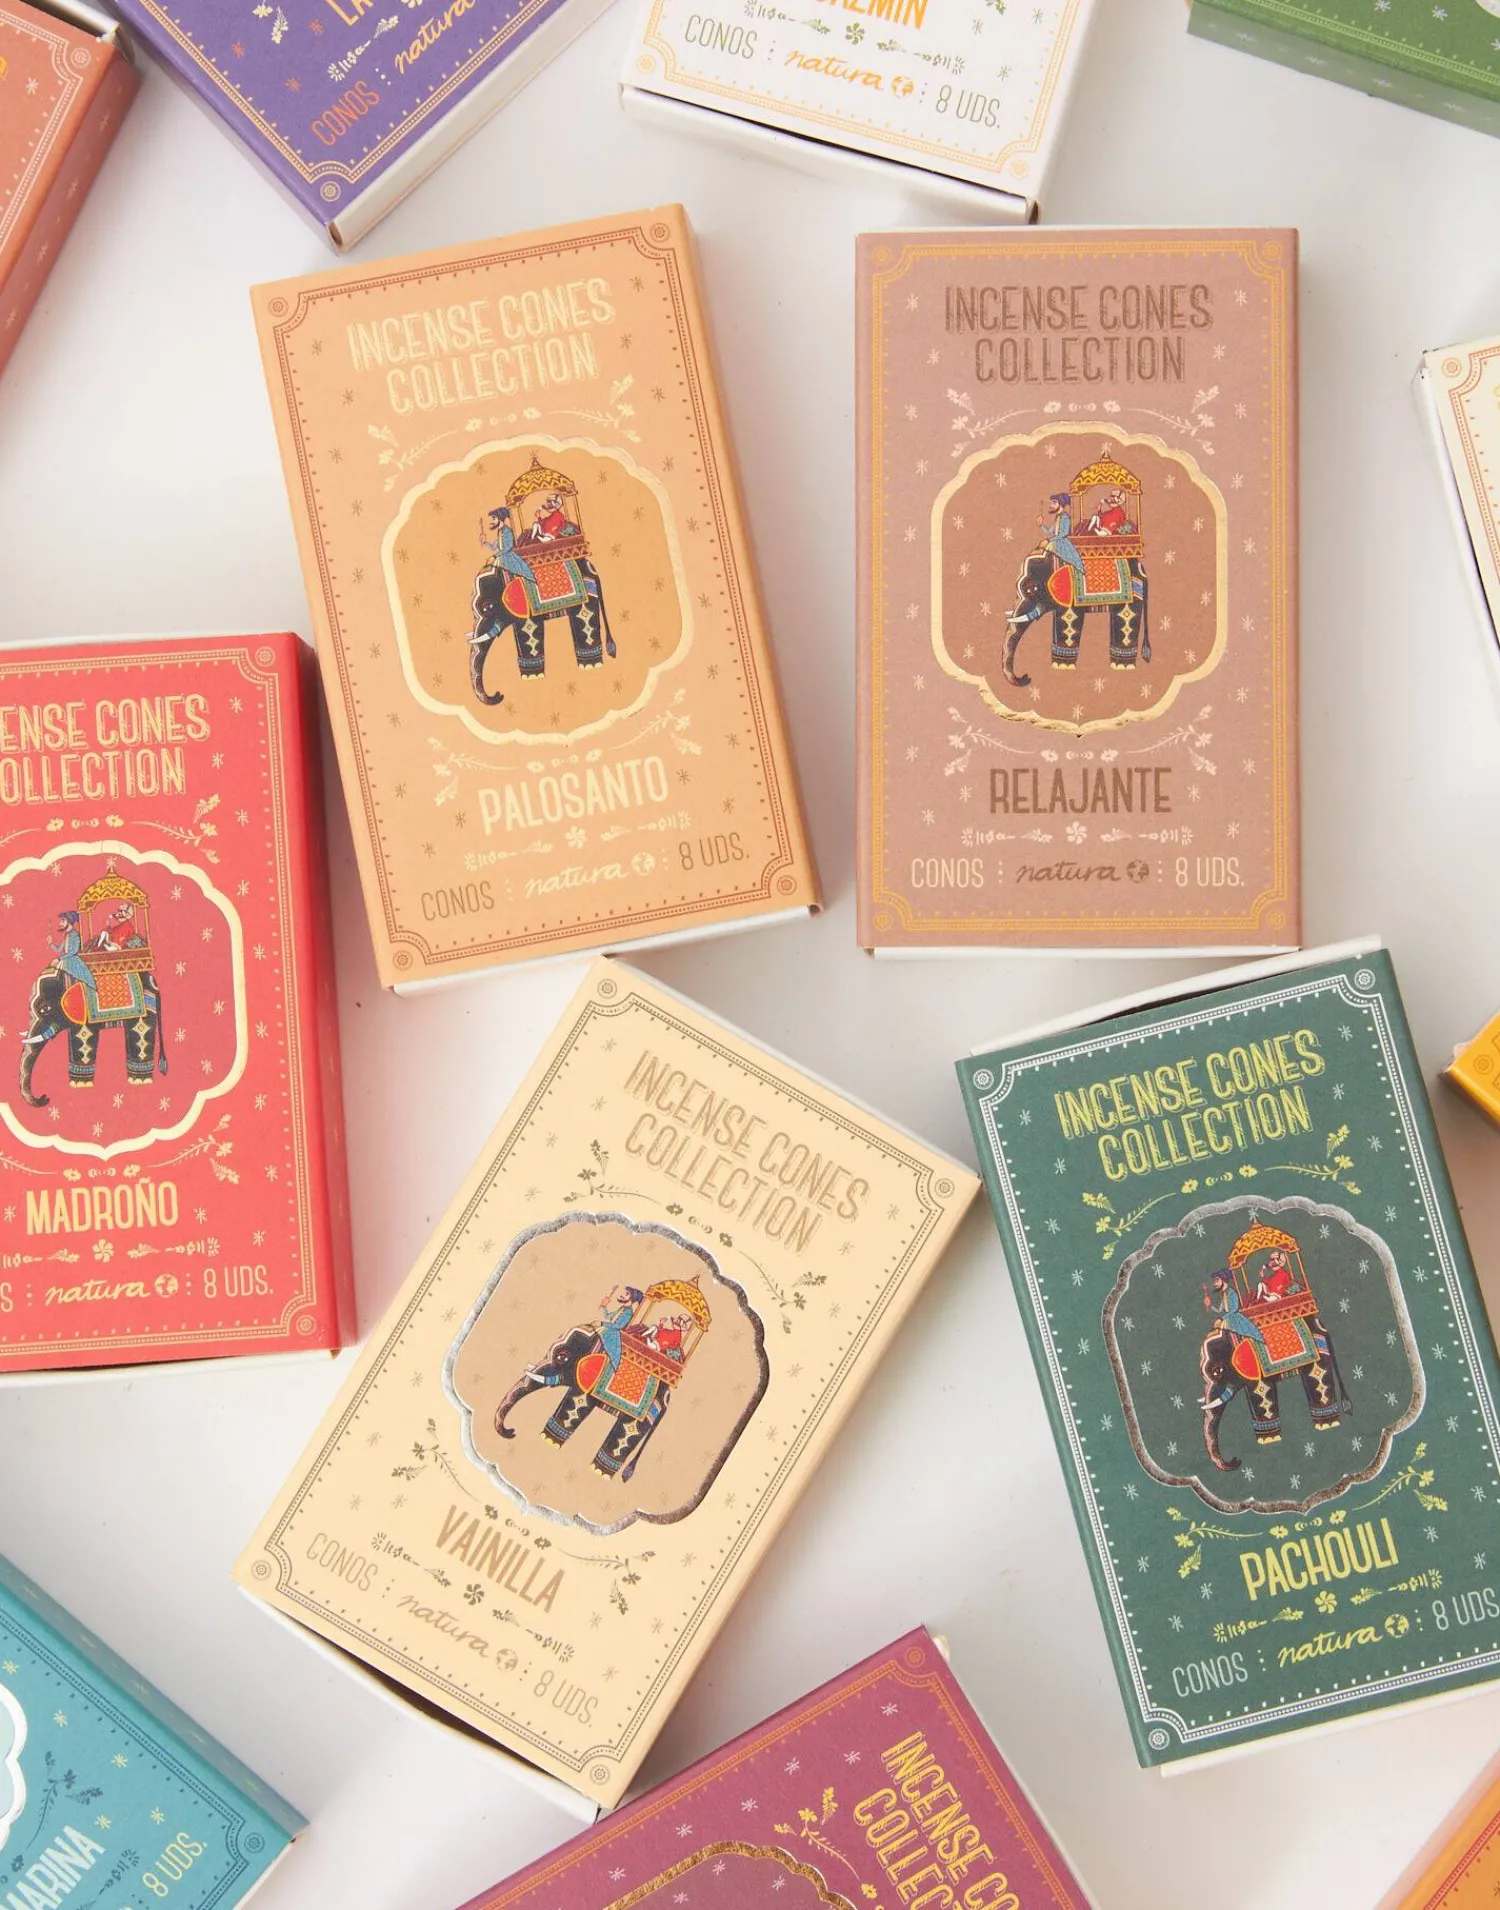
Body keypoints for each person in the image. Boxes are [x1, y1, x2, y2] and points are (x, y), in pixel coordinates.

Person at [596, 1284, 644, 1375]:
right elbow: (608, 1316)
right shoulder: (622, 1308)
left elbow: (617, 1326)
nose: (623, 1295)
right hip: (609, 1330)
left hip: (614, 1335)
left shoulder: (628, 1312)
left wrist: (602, 1323)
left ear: (631, 1299)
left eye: (627, 1294)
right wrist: (604, 1306)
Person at [483, 505, 536, 587]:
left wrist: (494, 556)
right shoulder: (500, 532)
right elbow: (493, 547)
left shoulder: (507, 531)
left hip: (509, 558)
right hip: (502, 558)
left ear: (500, 519)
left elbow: (507, 547)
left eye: (494, 519)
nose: (492, 521)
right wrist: (484, 542)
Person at [47, 911, 93, 989]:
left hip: (73, 962)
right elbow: (59, 949)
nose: (60, 923)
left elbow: (73, 952)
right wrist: (51, 943)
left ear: (69, 922)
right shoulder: (67, 935)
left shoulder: (75, 935)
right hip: (65, 960)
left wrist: (58, 959)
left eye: (63, 921)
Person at [1041, 492, 1082, 573]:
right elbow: (1050, 531)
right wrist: (1041, 525)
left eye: (1054, 503)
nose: (1051, 505)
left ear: (1061, 504)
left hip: (1062, 543)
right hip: (1055, 541)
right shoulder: (1058, 517)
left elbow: (1063, 534)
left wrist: (1048, 540)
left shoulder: (1065, 517)